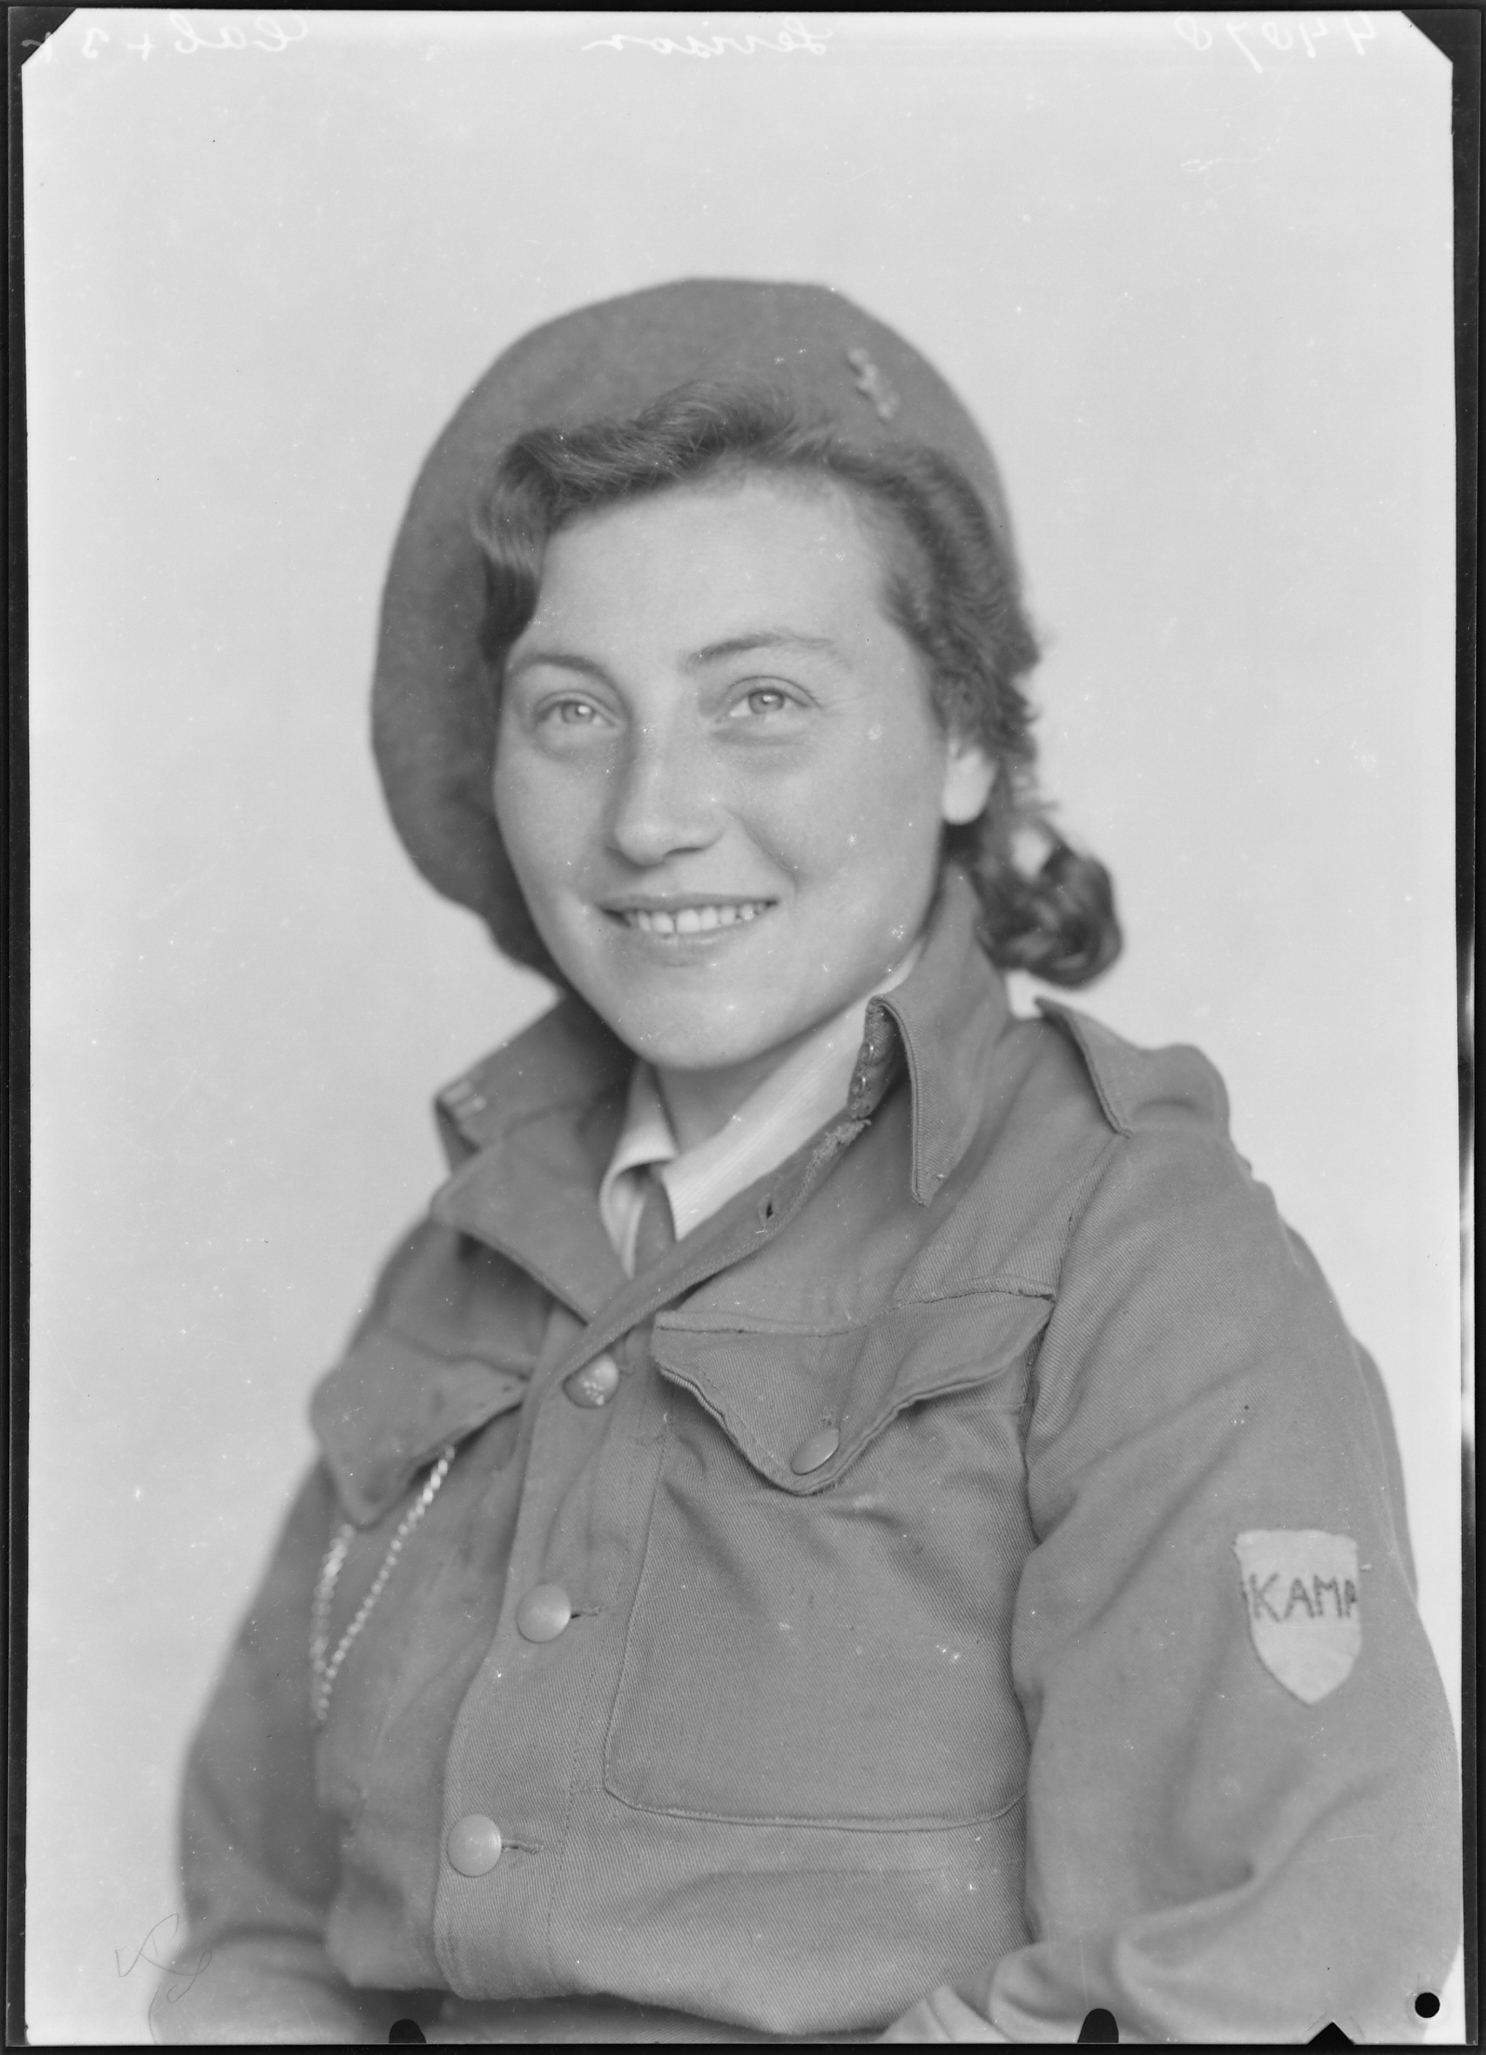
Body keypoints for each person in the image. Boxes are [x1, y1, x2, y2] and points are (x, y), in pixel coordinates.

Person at [155, 280, 1460, 2046]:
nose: (649, 817)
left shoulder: (1138, 1253)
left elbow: (1273, 1970)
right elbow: (260, 1916)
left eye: (759, 698)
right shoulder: (466, 1250)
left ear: (966, 740)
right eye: (571, 710)